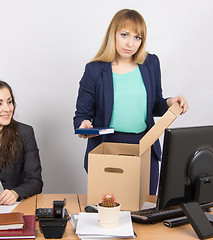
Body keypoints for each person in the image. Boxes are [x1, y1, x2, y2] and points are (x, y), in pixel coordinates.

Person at [73, 9, 189, 195]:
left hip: (144, 145)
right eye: (125, 35)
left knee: (145, 211)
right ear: (113, 34)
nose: (130, 43)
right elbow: (82, 115)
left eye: (137, 37)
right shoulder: (94, 70)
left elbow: (154, 105)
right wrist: (84, 124)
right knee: (110, 212)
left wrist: (169, 102)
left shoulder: (150, 63)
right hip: (108, 146)